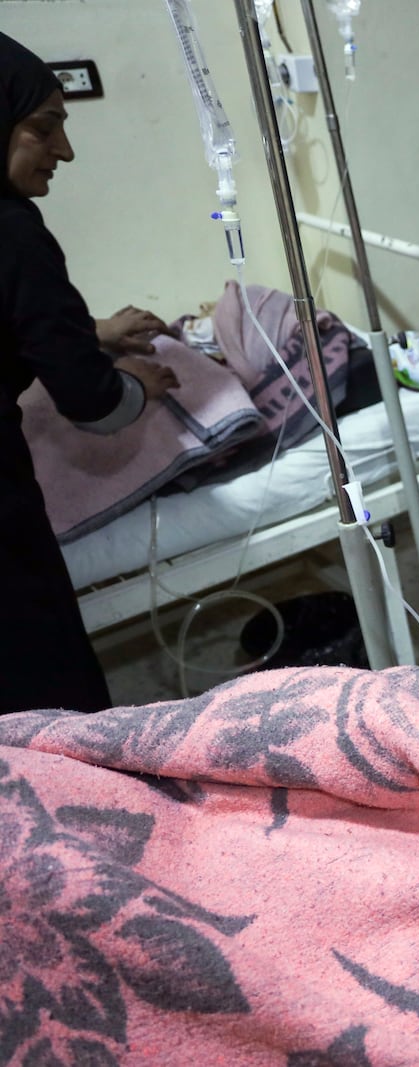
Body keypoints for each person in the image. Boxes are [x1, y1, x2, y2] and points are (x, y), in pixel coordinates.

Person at [2, 33, 179, 713]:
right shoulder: (15, 231)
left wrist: (92, 332)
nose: (65, 151)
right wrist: (138, 383)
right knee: (43, 693)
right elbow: (93, 402)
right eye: (44, 128)